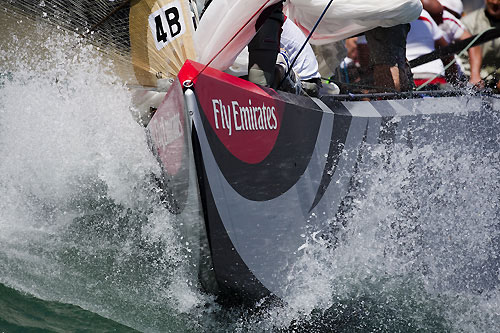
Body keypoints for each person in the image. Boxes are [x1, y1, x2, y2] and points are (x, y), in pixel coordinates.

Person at [406, 8, 455, 88]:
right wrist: (453, 81)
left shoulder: (385, 14)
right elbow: (447, 51)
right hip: (435, 74)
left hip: (409, 78)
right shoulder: (423, 12)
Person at [438, 0, 483, 86]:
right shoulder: (447, 17)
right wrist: (475, 76)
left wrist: (475, 77)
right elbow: (473, 43)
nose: (457, 21)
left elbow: (473, 44)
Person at [460, 0, 500, 92]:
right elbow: (461, 59)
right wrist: (476, 77)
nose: (495, 2)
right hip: (473, 84)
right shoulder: (468, 23)